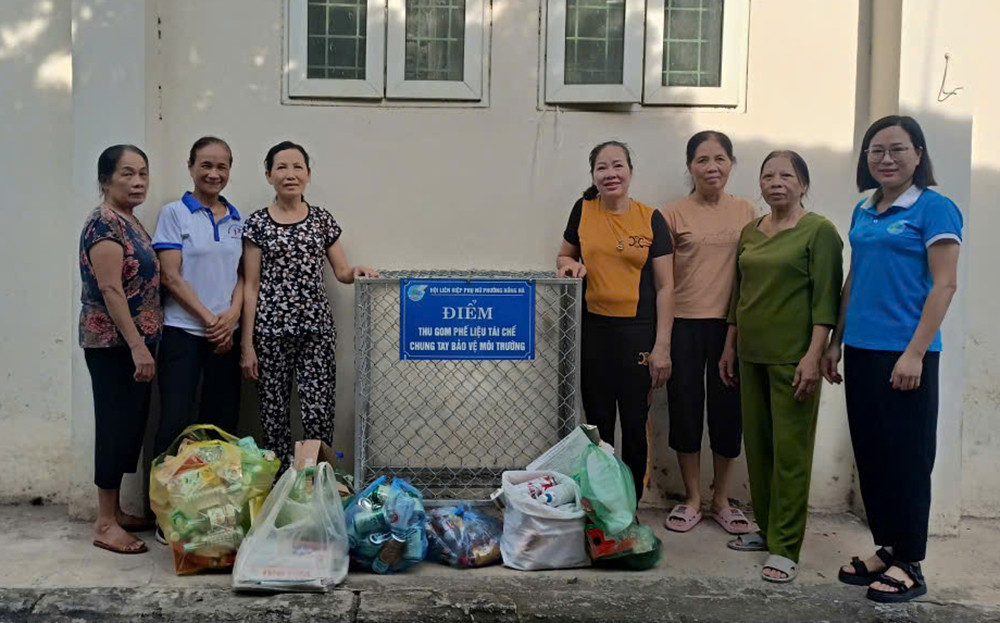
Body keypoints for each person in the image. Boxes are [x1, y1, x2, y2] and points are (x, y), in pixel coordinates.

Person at [822, 116, 962, 603]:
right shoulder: (866, 209)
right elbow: (855, 279)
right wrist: (836, 340)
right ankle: (888, 547)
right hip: (862, 350)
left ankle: (911, 562)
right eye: (876, 150)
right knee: (874, 455)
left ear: (918, 154)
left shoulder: (935, 208)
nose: (886, 158)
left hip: (906, 355)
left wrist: (915, 353)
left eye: (897, 149)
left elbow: (944, 284)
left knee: (908, 458)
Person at [720, 151, 843, 583]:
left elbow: (826, 298)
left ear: (803, 184)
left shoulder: (820, 232)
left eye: (786, 175)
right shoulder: (751, 231)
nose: (776, 182)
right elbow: (739, 294)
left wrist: (815, 354)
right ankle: (769, 530)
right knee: (759, 447)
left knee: (791, 454)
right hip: (750, 356)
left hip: (794, 359)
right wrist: (729, 346)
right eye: (768, 176)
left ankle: (787, 547)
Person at [240, 141, 378, 470]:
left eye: (297, 167)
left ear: (308, 174)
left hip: (315, 332)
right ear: (269, 175)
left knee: (318, 413)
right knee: (273, 415)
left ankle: (318, 486)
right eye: (282, 168)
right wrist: (247, 345)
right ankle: (278, 489)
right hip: (270, 334)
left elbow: (342, 272)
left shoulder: (321, 220)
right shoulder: (257, 224)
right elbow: (250, 285)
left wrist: (356, 272)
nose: (290, 174)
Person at [556, 140, 674, 501]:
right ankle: (603, 503)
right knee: (598, 425)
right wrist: (570, 266)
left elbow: (667, 287)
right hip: (594, 333)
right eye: (602, 168)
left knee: (635, 426)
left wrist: (662, 347)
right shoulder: (583, 210)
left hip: (638, 335)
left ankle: (631, 505)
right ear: (593, 174)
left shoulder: (651, 218)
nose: (610, 174)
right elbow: (563, 257)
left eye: (617, 165)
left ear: (630, 171)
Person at [661, 131, 757, 534]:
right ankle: (693, 498)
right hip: (683, 323)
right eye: (702, 159)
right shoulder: (672, 214)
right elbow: (661, 281)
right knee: (684, 408)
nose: (711, 167)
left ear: (731, 163)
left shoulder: (748, 212)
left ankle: (721, 499)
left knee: (726, 411)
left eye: (719, 158)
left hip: (730, 326)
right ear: (689, 166)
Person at [78, 144, 162, 555]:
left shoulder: (130, 221)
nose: (138, 181)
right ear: (105, 179)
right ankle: (105, 522)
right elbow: (111, 290)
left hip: (135, 344)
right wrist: (137, 347)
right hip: (113, 344)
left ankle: (118, 512)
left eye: (143, 173)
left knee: (130, 424)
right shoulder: (104, 225)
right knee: (114, 426)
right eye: (127, 174)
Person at [152, 137, 243, 462]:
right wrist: (210, 320)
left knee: (221, 426)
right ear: (191, 167)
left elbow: (242, 276)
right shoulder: (174, 213)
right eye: (205, 165)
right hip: (183, 334)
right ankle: (161, 510)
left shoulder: (237, 219)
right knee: (175, 424)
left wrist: (232, 316)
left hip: (225, 340)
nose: (214, 173)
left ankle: (215, 507)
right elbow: (170, 276)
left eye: (222, 166)